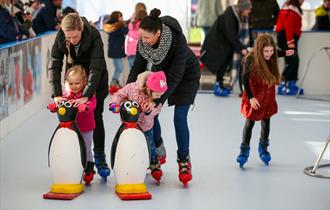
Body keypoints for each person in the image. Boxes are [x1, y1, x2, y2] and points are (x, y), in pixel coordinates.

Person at [126, 8, 201, 185]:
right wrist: (129, 92)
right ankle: (157, 149)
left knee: (179, 118)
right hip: (160, 76)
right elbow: (137, 67)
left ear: (158, 33)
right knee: (149, 113)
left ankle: (184, 160)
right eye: (141, 37)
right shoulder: (144, 43)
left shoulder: (178, 41)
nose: (143, 41)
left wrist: (157, 100)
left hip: (186, 76)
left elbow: (175, 76)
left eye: (146, 38)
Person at [48, 13, 110, 180]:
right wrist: (57, 94)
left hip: (95, 82)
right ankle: (77, 155)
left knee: (95, 116)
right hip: (74, 81)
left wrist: (87, 95)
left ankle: (99, 156)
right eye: (69, 37)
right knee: (71, 119)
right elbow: (54, 64)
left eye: (75, 36)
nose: (72, 40)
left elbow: (96, 67)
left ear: (81, 30)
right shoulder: (61, 37)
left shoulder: (94, 34)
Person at [110, 71, 168, 182]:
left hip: (146, 127)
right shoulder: (132, 88)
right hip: (129, 127)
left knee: (150, 146)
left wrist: (150, 110)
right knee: (129, 146)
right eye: (157, 95)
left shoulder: (155, 100)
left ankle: (154, 164)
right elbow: (119, 94)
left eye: (161, 95)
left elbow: (158, 108)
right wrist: (114, 104)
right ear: (149, 89)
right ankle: (128, 163)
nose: (159, 97)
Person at [236, 34, 281, 168]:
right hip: (255, 95)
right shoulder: (250, 59)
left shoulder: (272, 55)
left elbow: (278, 53)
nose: (269, 54)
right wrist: (251, 98)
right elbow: (245, 78)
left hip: (267, 94)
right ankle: (244, 151)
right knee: (250, 123)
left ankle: (264, 148)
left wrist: (287, 52)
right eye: (266, 51)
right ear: (259, 50)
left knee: (266, 123)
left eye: (271, 51)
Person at [47, 65, 96, 184]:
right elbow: (62, 103)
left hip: (86, 128)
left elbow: (92, 104)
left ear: (84, 81)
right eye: (71, 83)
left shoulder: (88, 93)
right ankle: (73, 168)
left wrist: (85, 107)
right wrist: (55, 106)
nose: (74, 86)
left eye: (77, 83)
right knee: (73, 149)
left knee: (86, 149)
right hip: (72, 129)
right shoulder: (67, 94)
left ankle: (89, 169)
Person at [200, 0, 253, 97]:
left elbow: (247, 32)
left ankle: (220, 84)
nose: (249, 11)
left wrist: (248, 46)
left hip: (226, 44)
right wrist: (241, 48)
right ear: (242, 8)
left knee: (225, 64)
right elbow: (231, 34)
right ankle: (218, 86)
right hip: (218, 43)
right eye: (248, 9)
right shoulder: (230, 15)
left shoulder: (242, 16)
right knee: (221, 63)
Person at [275, 0, 304, 95]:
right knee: (293, 61)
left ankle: (291, 84)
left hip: (287, 36)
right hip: (287, 37)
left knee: (291, 61)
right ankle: (282, 84)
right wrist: (290, 41)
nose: (303, 1)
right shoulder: (292, 8)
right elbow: (289, 25)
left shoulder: (291, 7)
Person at [105, 11, 128, 94]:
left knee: (118, 67)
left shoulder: (112, 27)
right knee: (119, 68)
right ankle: (113, 83)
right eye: (120, 16)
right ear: (117, 17)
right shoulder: (117, 27)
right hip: (116, 50)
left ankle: (115, 82)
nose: (122, 18)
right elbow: (125, 30)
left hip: (115, 50)